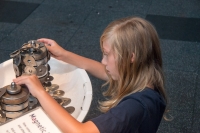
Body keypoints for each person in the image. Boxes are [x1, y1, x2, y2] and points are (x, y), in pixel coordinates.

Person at [14, 16, 167, 133]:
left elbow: (81, 131)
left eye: (107, 55)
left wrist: (39, 91)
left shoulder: (134, 107)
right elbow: (103, 70)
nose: (103, 61)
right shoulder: (146, 78)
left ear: (131, 57)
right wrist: (64, 55)